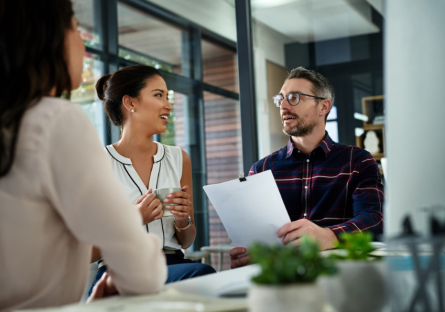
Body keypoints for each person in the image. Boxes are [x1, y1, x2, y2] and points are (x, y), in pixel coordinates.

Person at [0, 1, 167, 311]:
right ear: (50, 38)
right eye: (77, 29)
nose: (82, 42)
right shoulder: (54, 121)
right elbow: (142, 274)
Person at [230, 67, 384, 269]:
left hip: (338, 272)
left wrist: (330, 236)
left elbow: (373, 219)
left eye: (294, 97)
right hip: (281, 274)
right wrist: (248, 253)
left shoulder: (358, 162)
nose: (283, 106)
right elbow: (253, 232)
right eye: (281, 98)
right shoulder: (261, 168)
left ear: (324, 107)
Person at [88, 65, 215, 295]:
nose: (168, 104)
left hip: (174, 266)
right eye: (158, 95)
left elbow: (186, 241)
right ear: (131, 103)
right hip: (119, 273)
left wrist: (183, 220)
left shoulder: (179, 158)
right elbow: (85, 253)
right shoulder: (96, 164)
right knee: (203, 274)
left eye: (168, 96)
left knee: (202, 275)